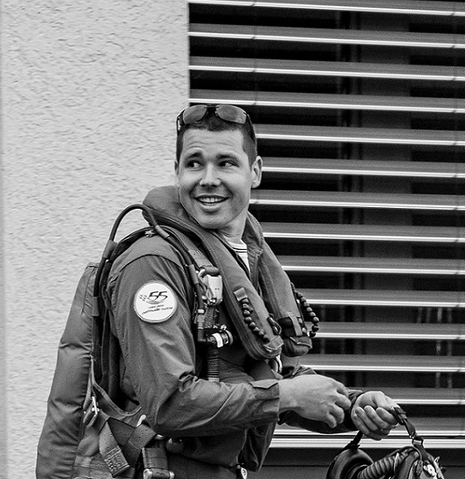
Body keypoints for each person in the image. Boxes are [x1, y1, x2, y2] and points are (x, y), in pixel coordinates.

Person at [95, 104, 401, 477]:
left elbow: (269, 374)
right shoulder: (153, 264)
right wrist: (289, 396)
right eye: (194, 163)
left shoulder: (243, 259)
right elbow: (170, 403)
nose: (208, 178)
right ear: (177, 172)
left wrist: (351, 406)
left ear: (254, 172)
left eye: (226, 163)